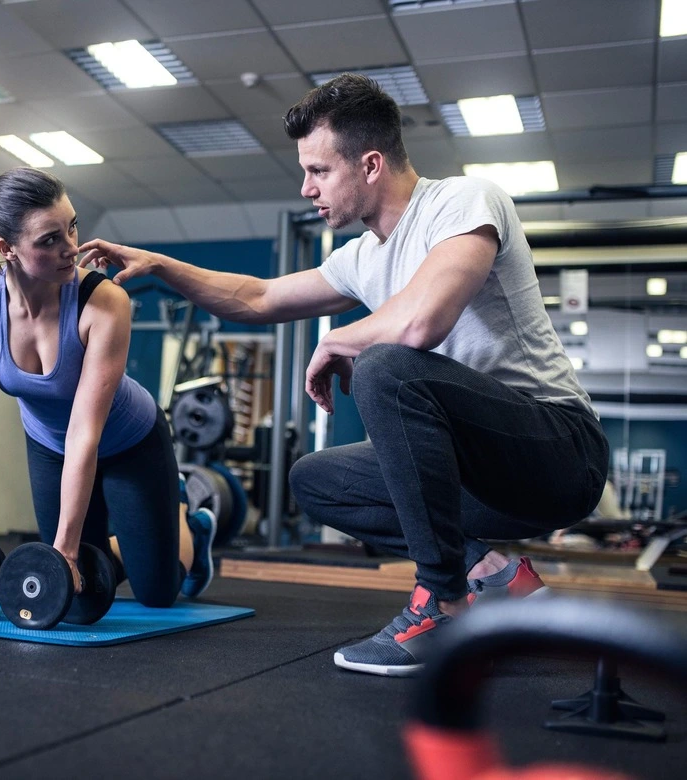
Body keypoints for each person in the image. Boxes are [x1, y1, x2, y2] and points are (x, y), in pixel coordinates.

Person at [79, 73, 609, 676]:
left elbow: (420, 324)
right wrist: (160, 265)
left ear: (372, 164)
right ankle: (491, 574)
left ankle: (442, 601)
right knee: (318, 480)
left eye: (319, 171)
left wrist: (339, 338)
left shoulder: (463, 203)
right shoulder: (362, 256)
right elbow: (257, 297)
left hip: (558, 455)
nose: (306, 188)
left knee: (387, 365)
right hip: (477, 478)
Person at [0, 167, 217, 614]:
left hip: (130, 440)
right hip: (51, 448)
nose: (72, 248)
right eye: (49, 239)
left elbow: (84, 432)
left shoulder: (104, 301)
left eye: (72, 226)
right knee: (77, 600)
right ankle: (131, 542)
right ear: (6, 249)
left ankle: (189, 521)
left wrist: (66, 552)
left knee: (156, 591)